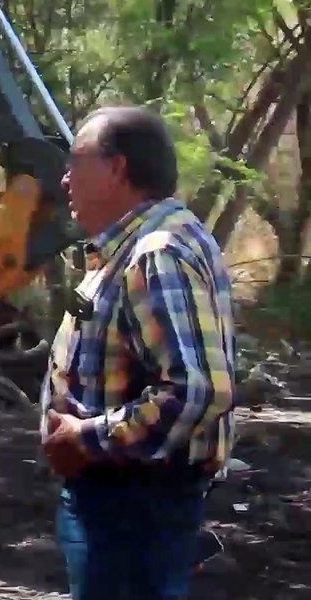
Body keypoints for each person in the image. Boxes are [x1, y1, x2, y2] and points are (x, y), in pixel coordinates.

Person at [42, 105, 237, 600]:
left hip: (131, 505)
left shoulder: (156, 252)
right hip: (127, 500)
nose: (65, 178)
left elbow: (197, 389)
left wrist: (86, 438)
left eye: (76, 161)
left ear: (118, 167)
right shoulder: (140, 244)